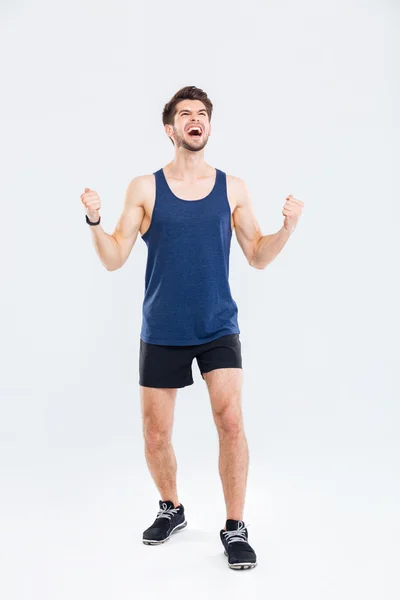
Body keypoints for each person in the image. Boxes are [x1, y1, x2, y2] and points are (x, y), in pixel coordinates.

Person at [80, 85, 304, 570]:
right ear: (171, 128)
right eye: (185, 114)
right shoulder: (144, 187)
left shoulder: (233, 188)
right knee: (156, 435)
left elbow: (257, 256)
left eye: (202, 114)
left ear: (208, 126)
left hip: (218, 324)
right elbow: (115, 257)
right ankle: (172, 508)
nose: (195, 120)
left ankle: (235, 527)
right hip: (162, 327)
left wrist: (286, 228)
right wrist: (94, 220)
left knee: (230, 421)